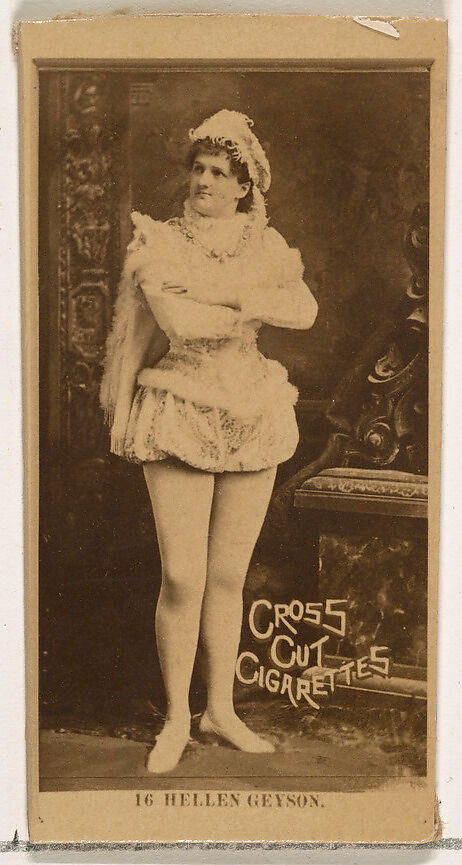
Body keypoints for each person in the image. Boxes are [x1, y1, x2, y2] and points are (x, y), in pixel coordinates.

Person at [100, 109, 318, 773]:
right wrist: (248, 300)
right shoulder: (159, 242)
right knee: (182, 575)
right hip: (181, 404)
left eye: (220, 172)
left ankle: (219, 710)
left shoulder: (266, 243)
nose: (204, 180)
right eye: (198, 168)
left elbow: (304, 310)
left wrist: (219, 291)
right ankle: (175, 717)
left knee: (227, 576)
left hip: (251, 407)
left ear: (244, 185)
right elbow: (182, 324)